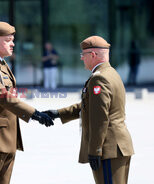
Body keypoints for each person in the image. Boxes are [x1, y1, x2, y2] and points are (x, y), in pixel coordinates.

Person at [0, 21, 54, 184]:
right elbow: (3, 97)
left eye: (12, 39)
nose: (13, 44)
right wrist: (34, 113)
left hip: (5, 141)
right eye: (8, 40)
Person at [44, 36, 134, 184]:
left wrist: (95, 150)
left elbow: (100, 118)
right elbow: (91, 105)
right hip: (118, 146)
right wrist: (58, 113)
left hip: (108, 149)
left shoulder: (99, 79)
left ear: (92, 55)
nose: (81, 59)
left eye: (83, 55)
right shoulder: (111, 73)